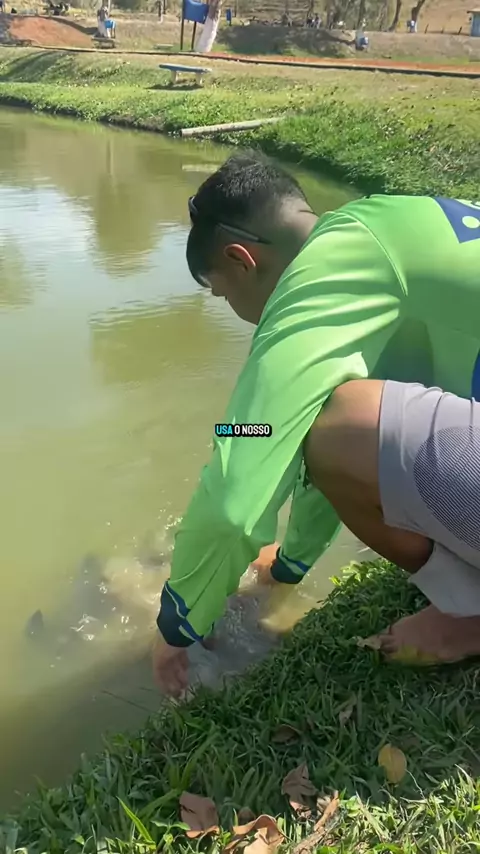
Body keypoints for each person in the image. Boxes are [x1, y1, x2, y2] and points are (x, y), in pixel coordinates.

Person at [152, 152, 480, 697]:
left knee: (334, 426)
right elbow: (311, 428)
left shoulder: (322, 274)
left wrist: (177, 623)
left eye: (222, 294)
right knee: (342, 419)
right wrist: (287, 566)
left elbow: (239, 494)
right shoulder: (389, 223)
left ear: (240, 259)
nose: (232, 309)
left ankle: (470, 612)